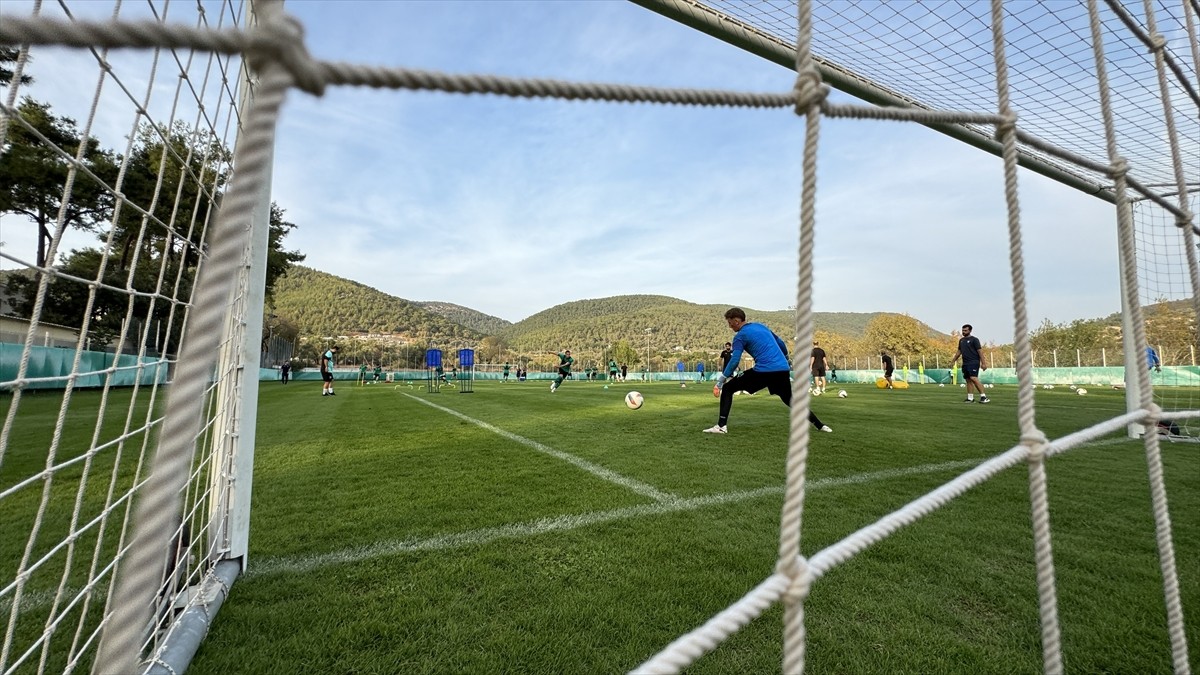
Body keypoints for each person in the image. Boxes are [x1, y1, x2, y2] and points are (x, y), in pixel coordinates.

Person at [704, 307, 831, 434]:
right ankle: (820, 425)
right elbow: (780, 343)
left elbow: (735, 360)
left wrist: (720, 381)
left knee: (727, 388)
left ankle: (721, 426)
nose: (729, 326)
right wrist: (785, 358)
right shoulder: (761, 326)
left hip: (764, 371)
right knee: (790, 400)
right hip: (782, 370)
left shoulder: (740, 336)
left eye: (730, 323)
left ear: (737, 320)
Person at [949, 324, 990, 403]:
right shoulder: (961, 340)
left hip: (974, 362)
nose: (963, 332)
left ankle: (984, 397)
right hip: (965, 363)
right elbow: (959, 352)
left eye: (965, 330)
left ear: (970, 331)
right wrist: (953, 360)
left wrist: (983, 363)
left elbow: (980, 352)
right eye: (963, 330)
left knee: (973, 378)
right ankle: (970, 398)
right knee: (968, 380)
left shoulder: (974, 340)